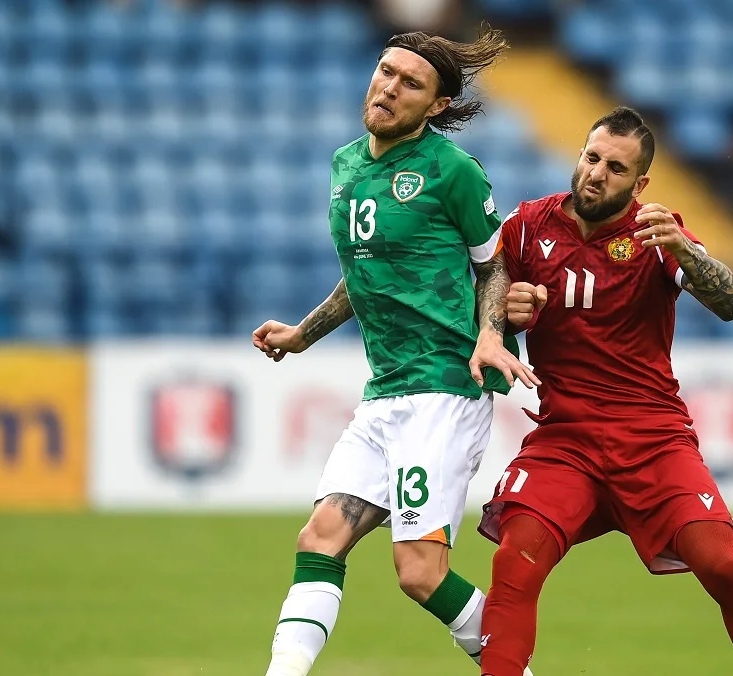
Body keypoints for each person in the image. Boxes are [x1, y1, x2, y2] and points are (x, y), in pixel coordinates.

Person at [252, 28, 538, 676]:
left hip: (444, 388)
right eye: (386, 71)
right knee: (320, 538)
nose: (389, 88)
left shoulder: (452, 171)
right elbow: (364, 272)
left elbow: (494, 266)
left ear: (437, 105)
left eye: (411, 83)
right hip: (384, 391)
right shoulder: (347, 165)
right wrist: (303, 334)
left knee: (420, 573)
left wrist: (490, 332)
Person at [476, 107, 733, 676]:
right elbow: (492, 274)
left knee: (722, 565)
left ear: (640, 184)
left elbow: (732, 304)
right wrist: (503, 311)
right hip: (565, 440)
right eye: (592, 158)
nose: (597, 174)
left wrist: (687, 252)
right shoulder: (529, 224)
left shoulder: (655, 233)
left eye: (616, 169)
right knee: (515, 563)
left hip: (652, 439)